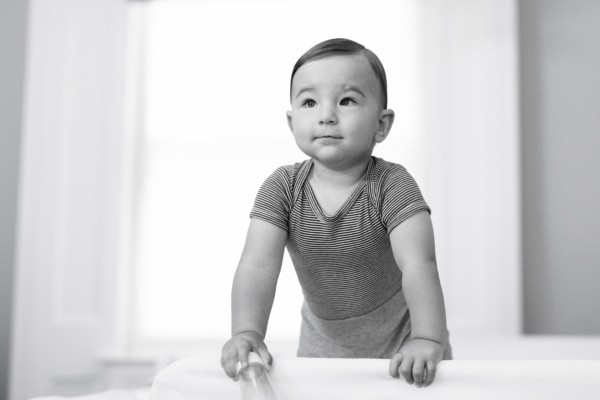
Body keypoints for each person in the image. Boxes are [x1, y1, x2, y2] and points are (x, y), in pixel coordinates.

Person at [220, 38, 452, 388]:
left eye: (346, 100)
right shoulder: (283, 187)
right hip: (322, 346)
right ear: (291, 121)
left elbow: (419, 263)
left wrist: (428, 339)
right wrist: (247, 331)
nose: (326, 114)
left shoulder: (391, 184)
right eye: (310, 102)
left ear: (382, 124)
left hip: (404, 343)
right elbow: (257, 265)